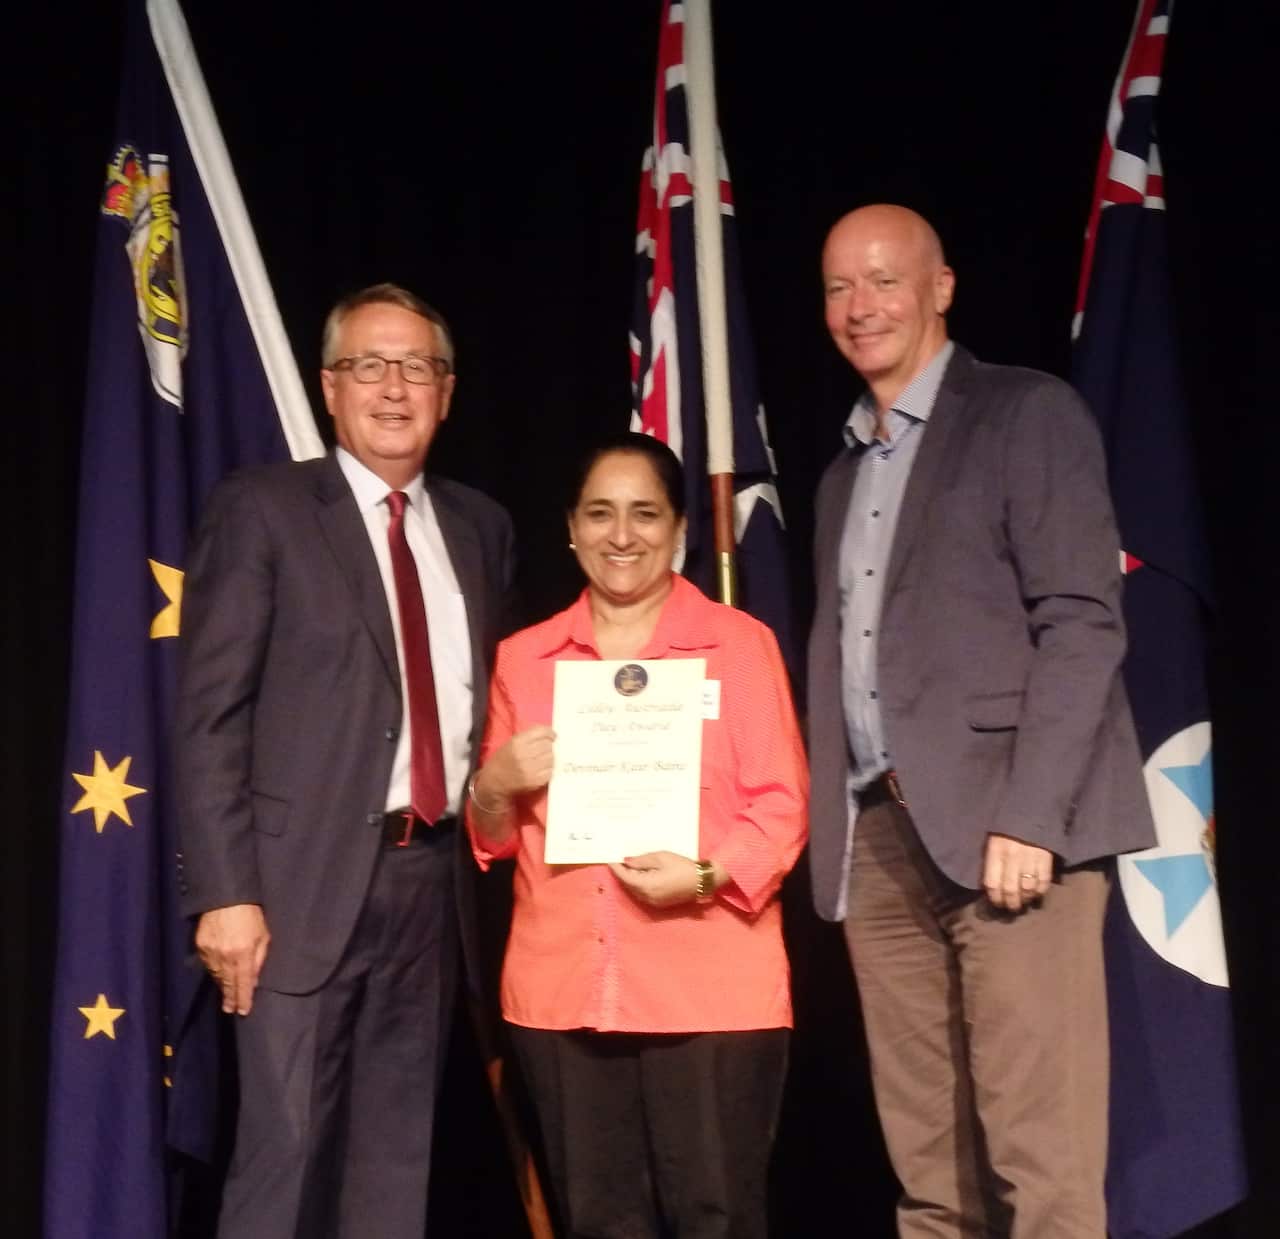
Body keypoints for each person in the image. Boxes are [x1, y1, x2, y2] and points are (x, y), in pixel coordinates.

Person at [806, 205, 1155, 1236]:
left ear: (940, 287)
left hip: (1010, 834)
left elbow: (1082, 622)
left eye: (881, 280)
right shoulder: (839, 473)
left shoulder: (1021, 414)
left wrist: (1033, 818)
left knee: (1037, 1162)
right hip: (880, 841)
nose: (858, 307)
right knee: (929, 1171)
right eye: (836, 287)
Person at [174, 283, 514, 1239]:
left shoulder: (481, 527)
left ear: (447, 391)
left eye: (417, 366)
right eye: (370, 365)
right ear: (331, 387)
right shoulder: (265, 509)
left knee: (391, 1168)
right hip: (293, 892)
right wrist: (224, 892)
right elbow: (209, 717)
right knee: (284, 1163)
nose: (394, 388)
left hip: (431, 884)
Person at [467, 432, 807, 1239]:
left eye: (645, 514)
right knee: (597, 1221)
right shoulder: (525, 658)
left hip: (711, 987)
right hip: (562, 992)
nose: (623, 535)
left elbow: (782, 808)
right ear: (572, 529)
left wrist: (701, 876)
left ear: (679, 528)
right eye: (601, 513)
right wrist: (495, 783)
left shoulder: (739, 645)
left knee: (716, 1219)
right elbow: (493, 835)